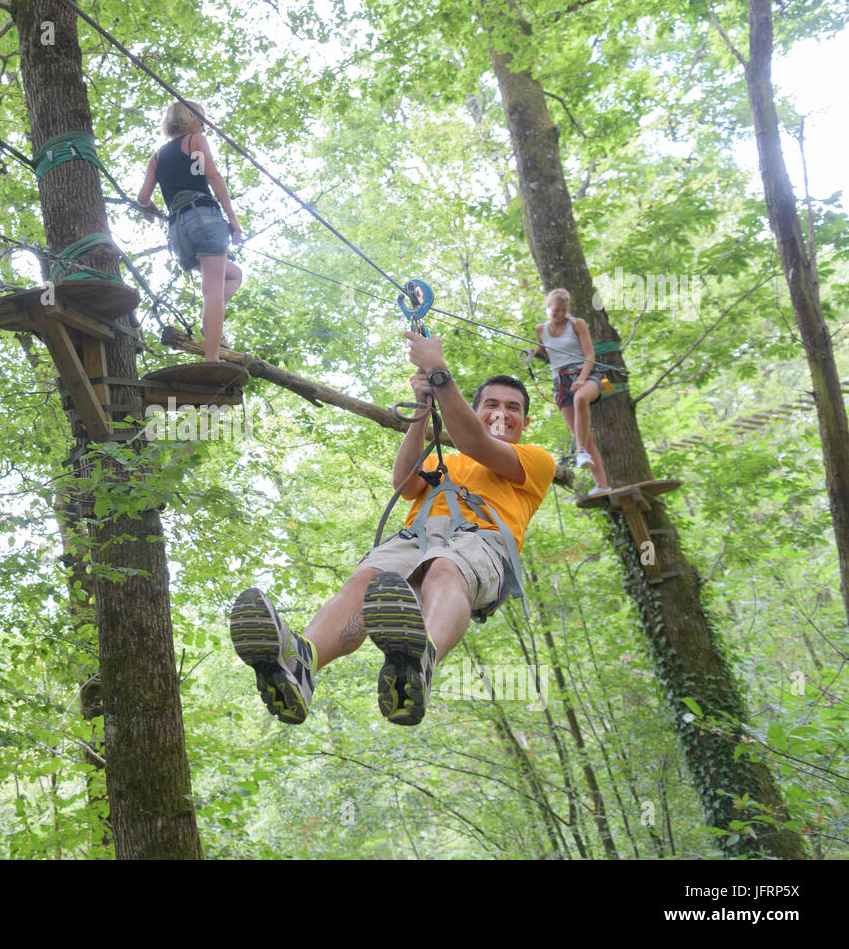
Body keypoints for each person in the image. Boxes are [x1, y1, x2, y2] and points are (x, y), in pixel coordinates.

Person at [229, 330, 555, 727]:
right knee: (366, 580)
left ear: (525, 421)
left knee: (446, 568)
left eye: (512, 407)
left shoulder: (536, 460)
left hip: (480, 540)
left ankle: (420, 661)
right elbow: (405, 483)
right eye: (490, 404)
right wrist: (422, 409)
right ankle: (302, 663)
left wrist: (438, 369)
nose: (501, 413)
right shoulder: (447, 458)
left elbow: (473, 440)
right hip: (416, 537)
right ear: (474, 409)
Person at [137, 99, 244, 362]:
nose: (204, 126)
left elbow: (141, 197)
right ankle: (211, 359)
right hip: (204, 218)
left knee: (233, 276)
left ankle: (211, 323)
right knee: (212, 289)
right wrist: (233, 220)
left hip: (178, 234)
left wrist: (148, 207)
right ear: (192, 119)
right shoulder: (194, 140)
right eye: (202, 120)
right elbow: (213, 177)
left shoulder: (157, 157)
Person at [532, 288, 610, 496]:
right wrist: (535, 353)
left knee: (581, 398)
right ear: (548, 307)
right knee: (581, 434)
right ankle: (602, 485)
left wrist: (583, 379)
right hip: (561, 381)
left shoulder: (576, 324)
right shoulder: (541, 330)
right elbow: (546, 354)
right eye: (556, 310)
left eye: (563, 310)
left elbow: (589, 354)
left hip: (586, 374)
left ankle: (580, 452)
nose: (560, 314)